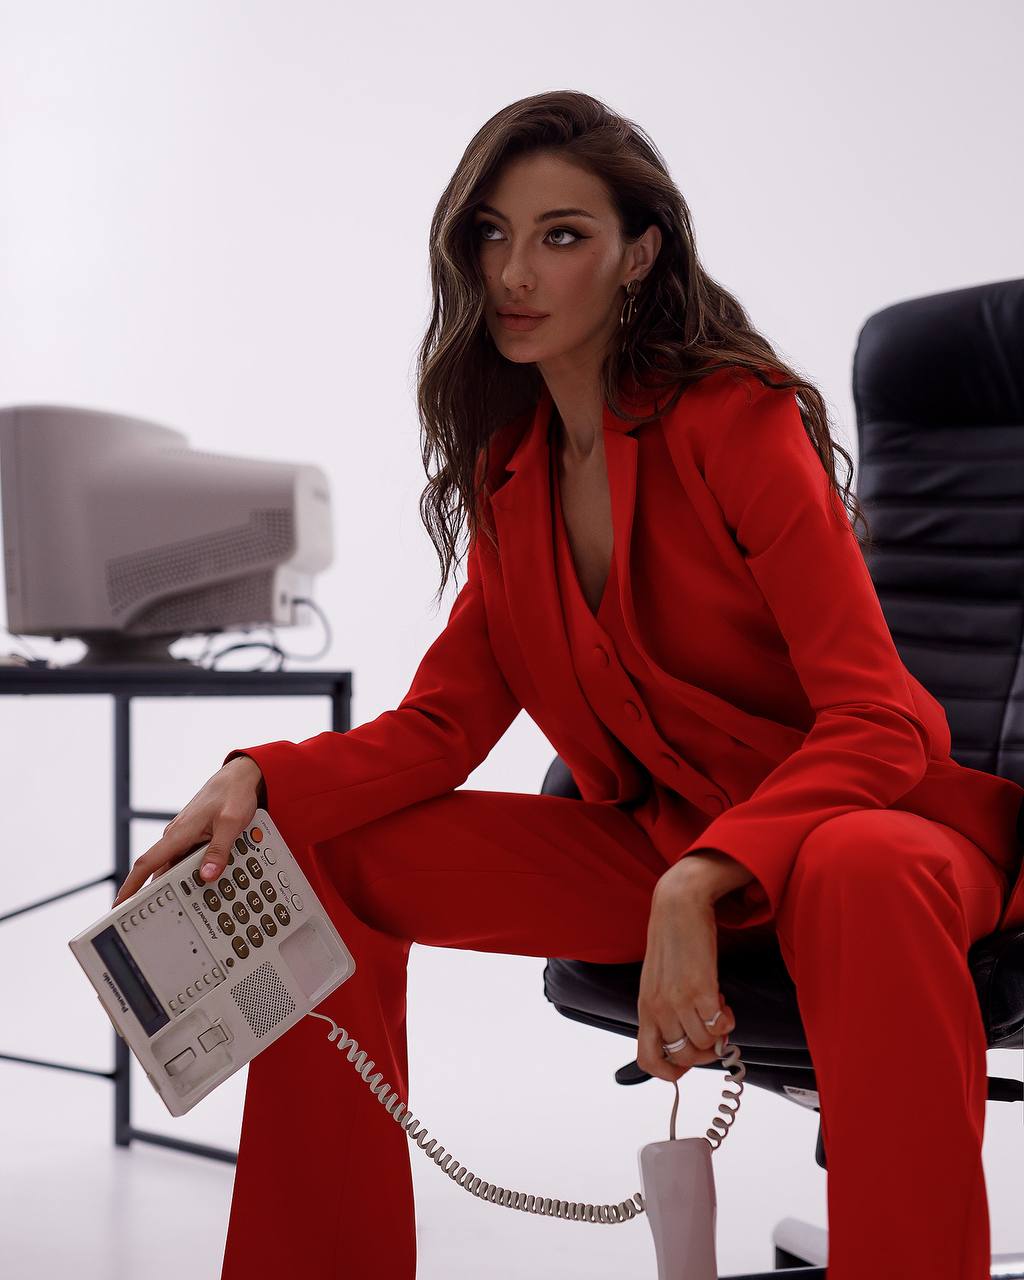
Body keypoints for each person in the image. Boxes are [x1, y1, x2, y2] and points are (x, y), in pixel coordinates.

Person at [112, 90, 1022, 1280]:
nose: (513, 272)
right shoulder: (514, 474)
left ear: (638, 254)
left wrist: (703, 875)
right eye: (492, 233)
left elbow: (881, 717)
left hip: (860, 828)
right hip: (662, 843)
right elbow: (442, 724)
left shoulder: (735, 421)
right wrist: (259, 778)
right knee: (320, 849)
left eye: (561, 234)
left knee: (862, 863)